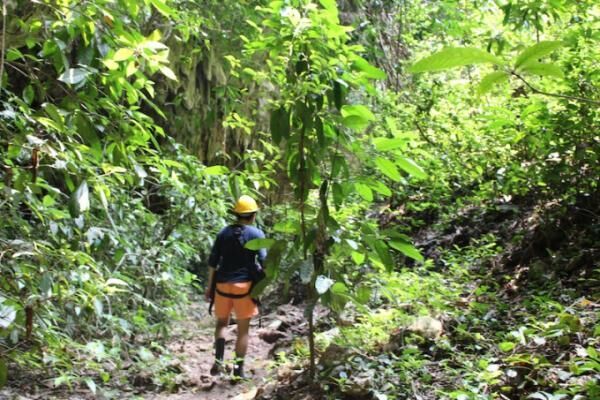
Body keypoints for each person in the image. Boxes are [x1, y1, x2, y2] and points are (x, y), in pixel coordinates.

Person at [205, 195, 267, 379]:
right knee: (243, 331)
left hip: (222, 285)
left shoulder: (223, 233)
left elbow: (213, 264)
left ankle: (218, 361)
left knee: (221, 323)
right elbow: (264, 262)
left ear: (237, 214)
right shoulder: (257, 234)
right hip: (244, 287)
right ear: (253, 215)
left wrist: (210, 288)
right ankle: (238, 371)